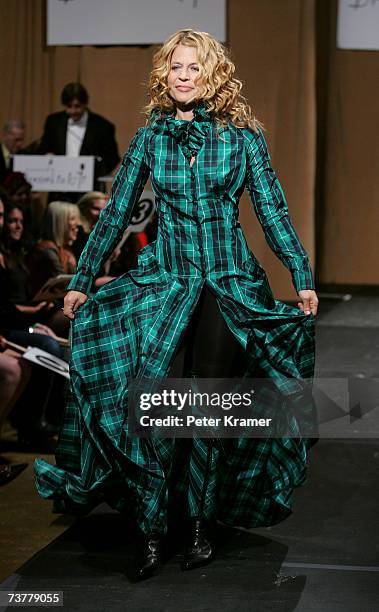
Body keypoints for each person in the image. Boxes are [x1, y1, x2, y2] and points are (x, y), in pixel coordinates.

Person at [34, 29, 318, 579]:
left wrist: (300, 274)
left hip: (228, 284)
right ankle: (151, 530)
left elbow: (273, 211)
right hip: (166, 281)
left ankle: (199, 527)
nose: (183, 75)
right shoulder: (149, 138)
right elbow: (116, 213)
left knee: (206, 409)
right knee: (157, 406)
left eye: (193, 67)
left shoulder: (243, 138)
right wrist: (83, 277)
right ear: (164, 74)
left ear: (212, 75)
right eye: (174, 66)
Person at [38, 82, 120, 200]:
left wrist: (94, 171)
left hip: (89, 190)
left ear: (85, 103)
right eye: (69, 106)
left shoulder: (103, 126)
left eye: (77, 106)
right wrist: (48, 155)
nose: (72, 111)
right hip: (59, 188)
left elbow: (113, 157)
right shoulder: (53, 122)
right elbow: (44, 148)